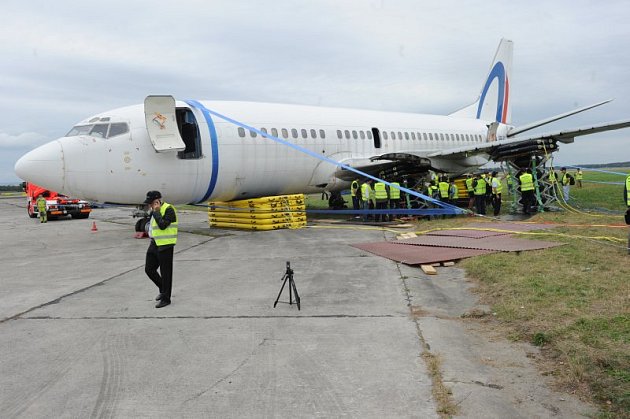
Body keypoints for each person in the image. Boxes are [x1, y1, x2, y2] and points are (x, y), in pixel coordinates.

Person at [144, 190, 178, 308]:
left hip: (166, 244)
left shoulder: (169, 209)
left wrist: (157, 212)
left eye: (151, 202)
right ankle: (162, 288)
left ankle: (166, 298)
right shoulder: (153, 211)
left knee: (166, 273)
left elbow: (163, 225)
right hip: (154, 243)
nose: (149, 205)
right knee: (149, 269)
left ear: (157, 201)